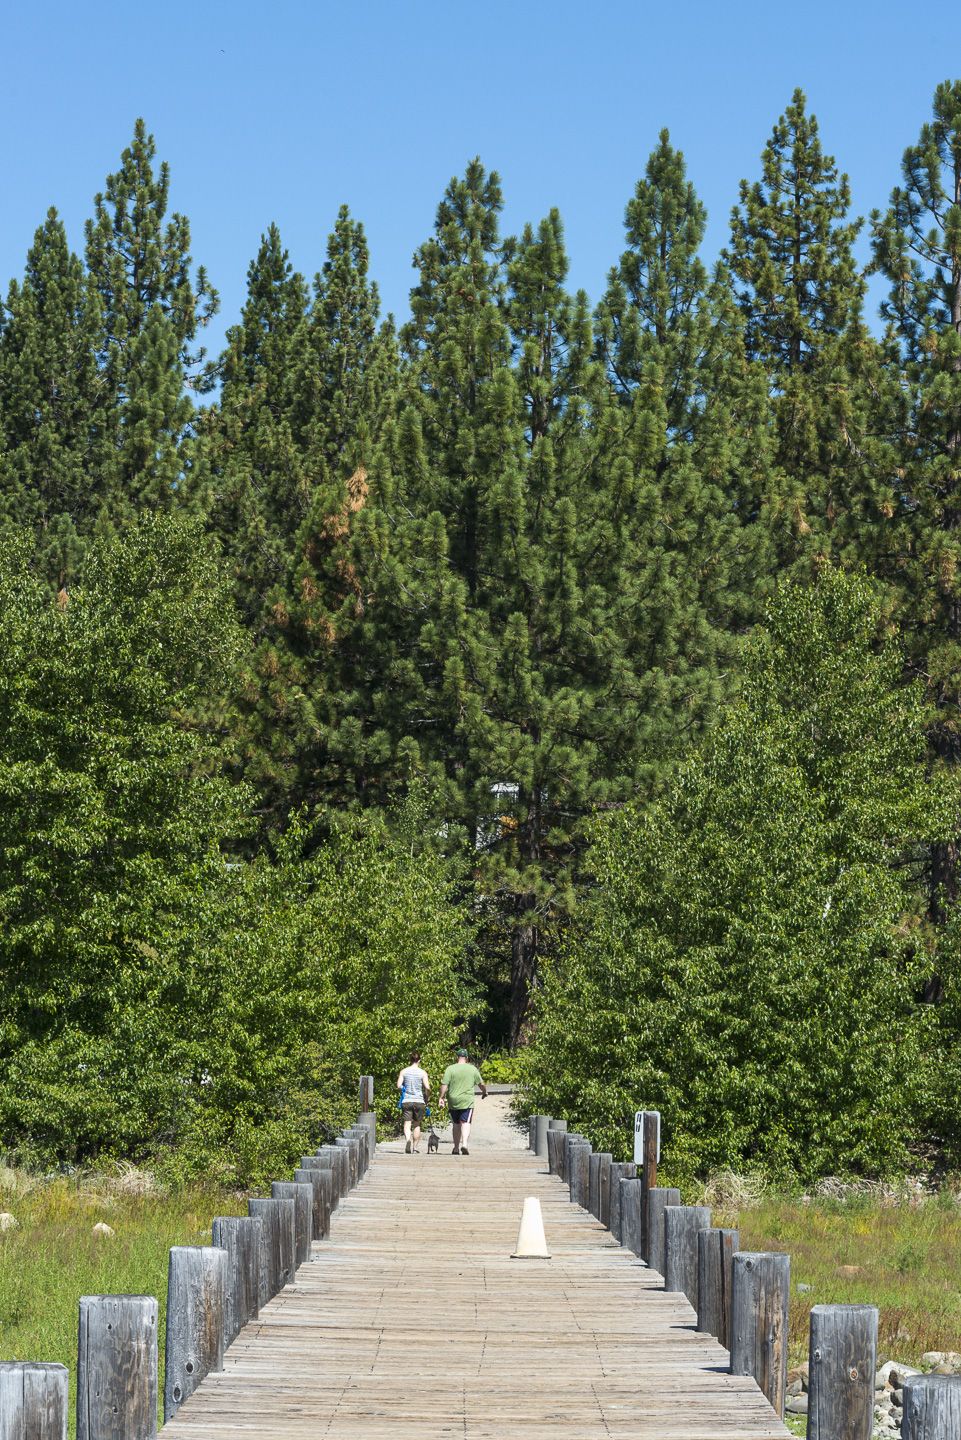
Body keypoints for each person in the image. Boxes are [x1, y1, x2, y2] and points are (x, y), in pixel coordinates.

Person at [439, 1048, 487, 1154]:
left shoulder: (450, 1069)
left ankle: (456, 1148)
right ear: (467, 1058)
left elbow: (444, 1085)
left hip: (453, 1100)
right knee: (466, 1122)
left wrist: (441, 1098)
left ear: (457, 1057)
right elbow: (481, 1084)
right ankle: (464, 1144)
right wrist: (484, 1092)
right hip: (467, 1101)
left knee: (456, 1124)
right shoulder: (472, 1069)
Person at [397, 1051, 430, 1153]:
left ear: (410, 1060)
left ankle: (408, 1140)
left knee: (407, 1124)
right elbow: (427, 1088)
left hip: (407, 1100)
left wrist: (404, 1088)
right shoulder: (423, 1073)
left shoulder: (403, 1071)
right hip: (419, 1101)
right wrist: (427, 1097)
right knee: (416, 1125)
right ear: (419, 1061)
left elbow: (398, 1085)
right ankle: (415, 1148)